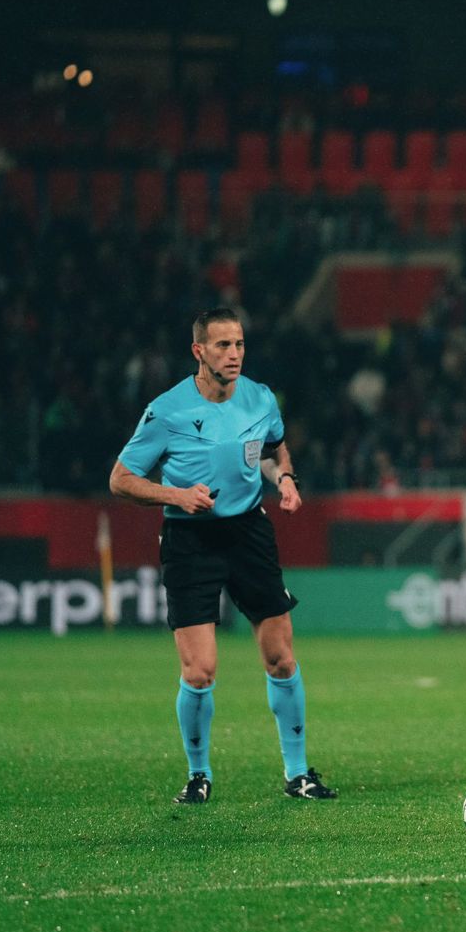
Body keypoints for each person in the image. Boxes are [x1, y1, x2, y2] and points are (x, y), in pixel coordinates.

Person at [109, 307, 336, 804]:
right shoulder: (166, 410)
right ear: (199, 352)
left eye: (238, 345)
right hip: (191, 539)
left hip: (250, 532)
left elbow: (276, 451)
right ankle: (198, 775)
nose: (233, 354)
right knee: (200, 671)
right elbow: (121, 479)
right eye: (222, 346)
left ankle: (298, 774)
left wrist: (288, 481)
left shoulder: (260, 398)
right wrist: (177, 496)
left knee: (280, 658)